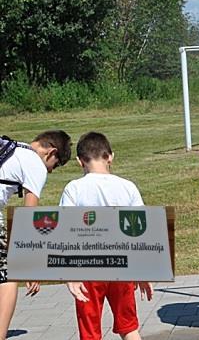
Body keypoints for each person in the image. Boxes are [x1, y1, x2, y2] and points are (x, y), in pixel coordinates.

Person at [59, 131, 153, 340]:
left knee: (90, 332)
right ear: (111, 156)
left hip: (88, 267)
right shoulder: (128, 187)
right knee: (129, 327)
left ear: (79, 161)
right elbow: (140, 231)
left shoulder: (74, 188)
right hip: (122, 264)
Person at [0, 130, 72, 340]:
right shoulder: (35, 164)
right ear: (52, 152)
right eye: (55, 166)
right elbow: (28, 216)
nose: (50, 172)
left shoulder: (13, 148)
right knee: (8, 274)